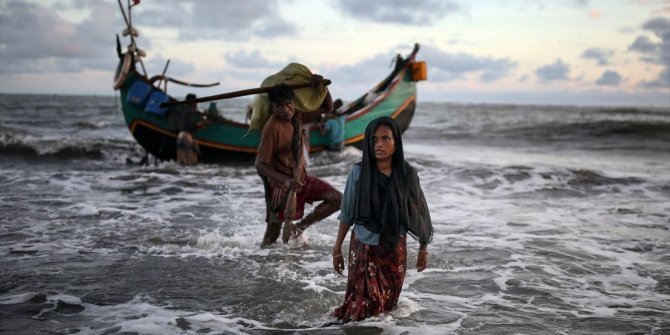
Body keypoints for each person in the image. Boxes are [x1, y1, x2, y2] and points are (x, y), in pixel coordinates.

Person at [331, 116, 433, 323]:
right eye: (374, 139)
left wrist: (423, 247)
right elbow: (347, 213)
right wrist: (336, 249)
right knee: (359, 308)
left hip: (395, 249)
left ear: (396, 142)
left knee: (386, 308)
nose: (379, 144)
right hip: (363, 247)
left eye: (386, 138)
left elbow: (419, 211)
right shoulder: (358, 172)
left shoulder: (407, 174)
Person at [255, 83, 343, 247]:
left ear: (294, 103)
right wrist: (284, 180)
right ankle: (261, 263)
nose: (285, 109)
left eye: (288, 104)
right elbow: (260, 164)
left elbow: (327, 107)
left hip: (301, 179)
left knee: (338, 200)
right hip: (281, 187)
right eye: (279, 106)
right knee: (272, 237)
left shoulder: (298, 116)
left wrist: (323, 86)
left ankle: (299, 228)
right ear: (272, 108)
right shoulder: (272, 128)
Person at [176, 93, 208, 165]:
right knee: (190, 162)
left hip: (180, 136)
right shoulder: (190, 111)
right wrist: (202, 123)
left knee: (182, 162)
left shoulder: (183, 109)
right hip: (186, 136)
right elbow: (191, 126)